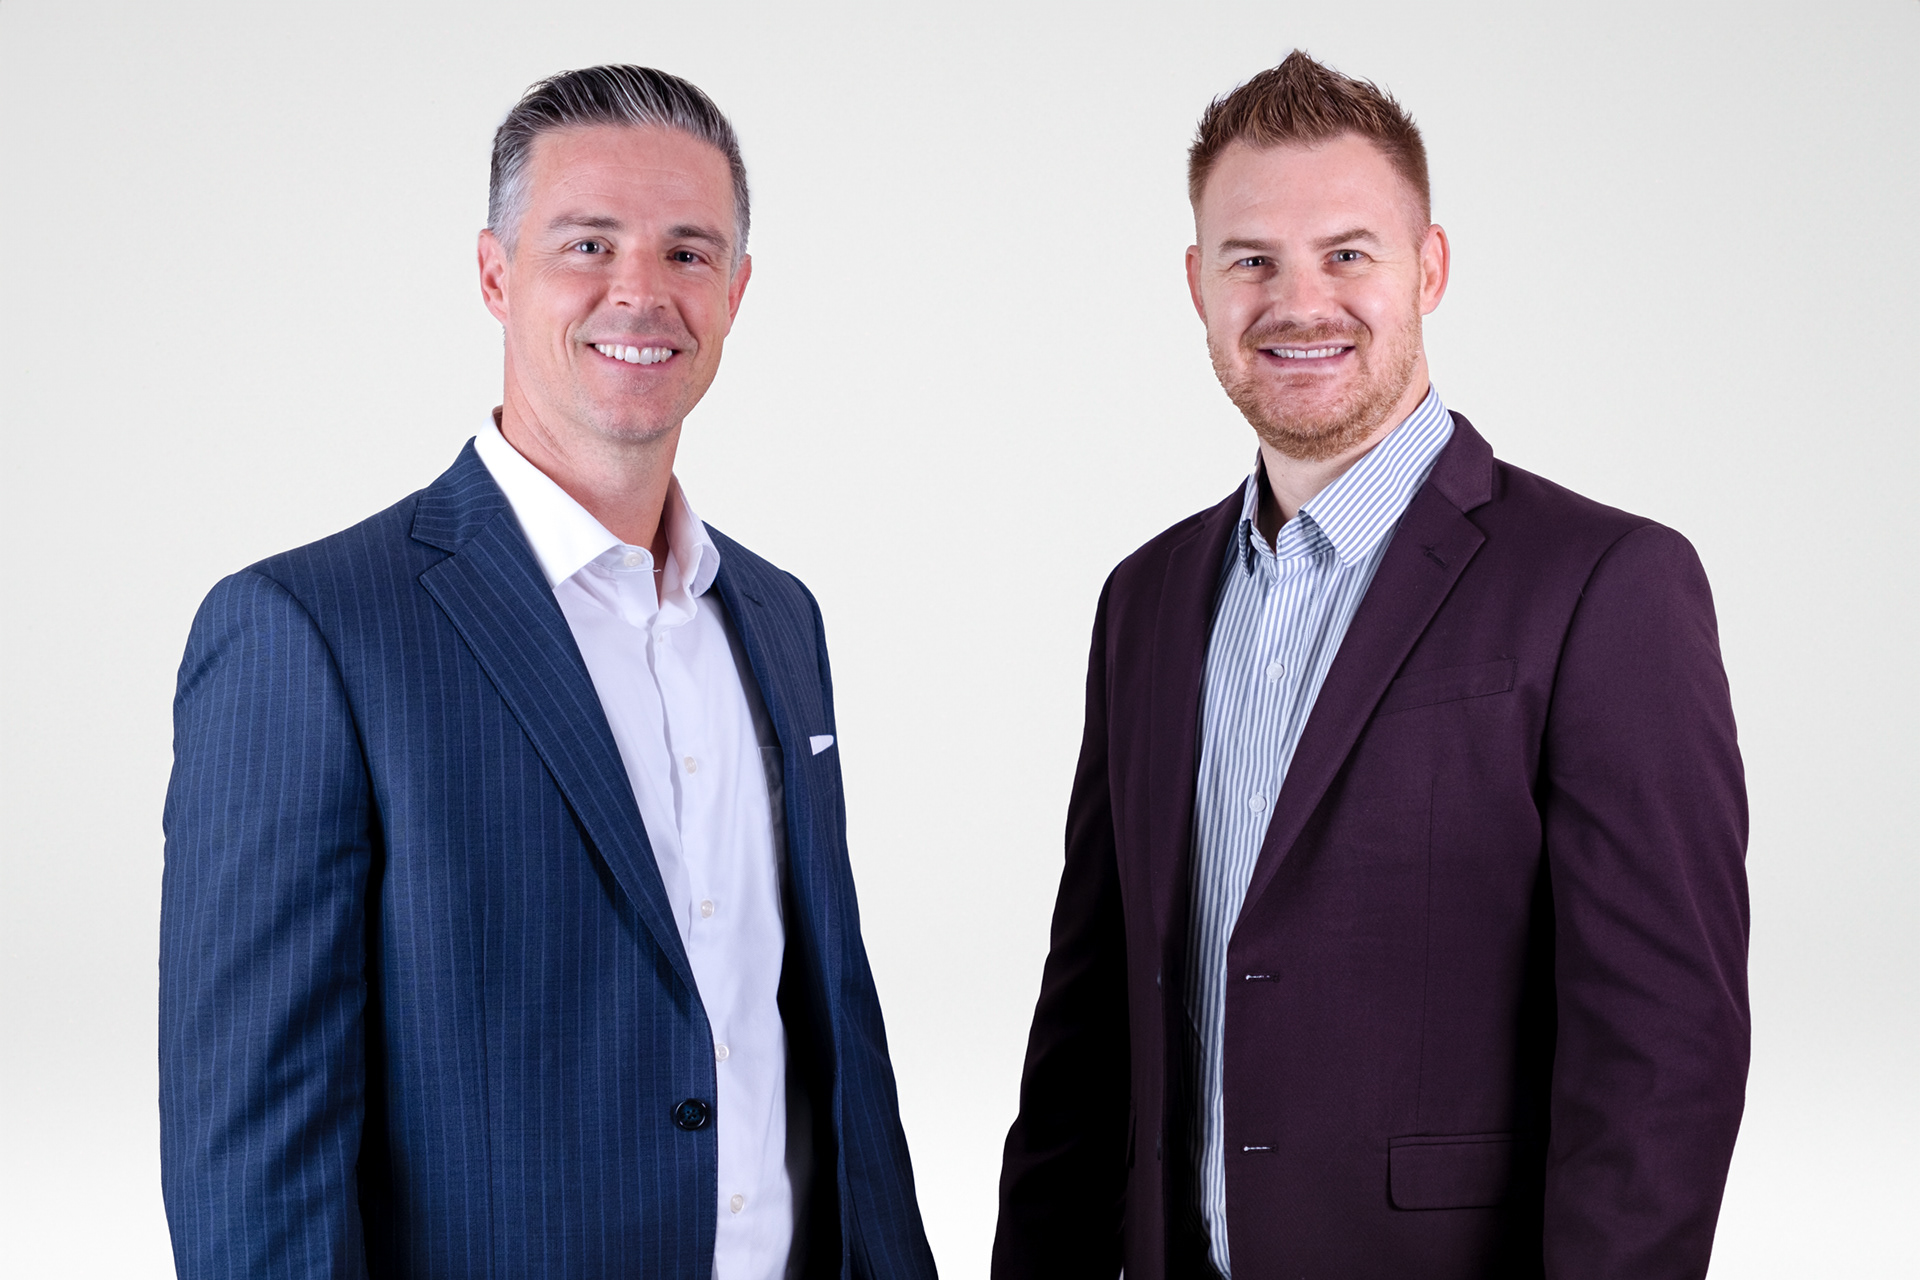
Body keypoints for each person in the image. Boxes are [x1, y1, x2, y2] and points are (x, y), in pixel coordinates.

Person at [159, 65, 936, 1280]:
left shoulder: (779, 617)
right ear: (494, 274)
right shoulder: (307, 632)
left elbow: (827, 1034)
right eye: (588, 243)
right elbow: (256, 1163)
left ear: (736, 291)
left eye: (688, 252)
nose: (642, 290)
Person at [993, 52, 1748, 1280]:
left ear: (1429, 268)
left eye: (1348, 253)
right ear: (1196, 284)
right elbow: (1086, 1027)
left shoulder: (1606, 583)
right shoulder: (1146, 600)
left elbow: (1665, 1052)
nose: (1301, 304)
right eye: (1252, 261)